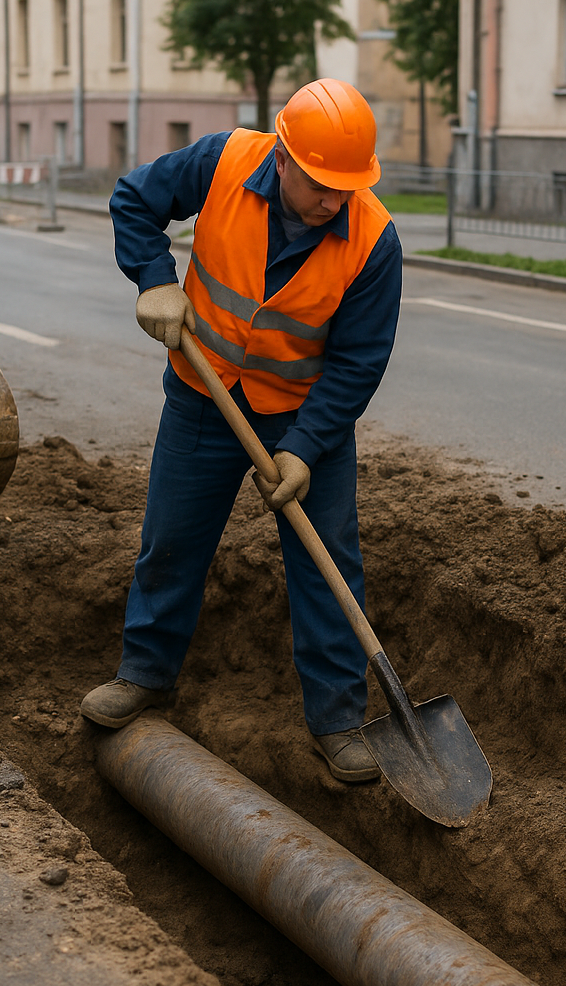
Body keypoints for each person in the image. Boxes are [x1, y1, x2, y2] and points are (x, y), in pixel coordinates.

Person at [79, 78, 403, 783]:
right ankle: (145, 674)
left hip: (305, 415)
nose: (334, 202)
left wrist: (305, 449)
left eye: (346, 189)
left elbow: (358, 364)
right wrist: (154, 278)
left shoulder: (374, 240)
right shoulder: (223, 161)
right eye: (320, 185)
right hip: (205, 395)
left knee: (326, 562)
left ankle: (338, 718)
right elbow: (134, 199)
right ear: (282, 158)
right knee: (172, 539)